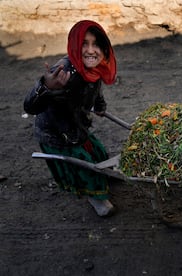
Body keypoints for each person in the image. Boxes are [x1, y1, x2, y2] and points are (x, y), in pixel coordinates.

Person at [24, 20, 117, 217]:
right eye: (84, 43)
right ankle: (96, 198)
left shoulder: (95, 68)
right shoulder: (62, 72)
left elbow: (95, 89)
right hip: (57, 132)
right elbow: (30, 107)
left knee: (98, 153)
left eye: (96, 44)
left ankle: (106, 177)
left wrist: (99, 105)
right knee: (83, 165)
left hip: (76, 124)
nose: (91, 50)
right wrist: (46, 88)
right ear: (75, 45)